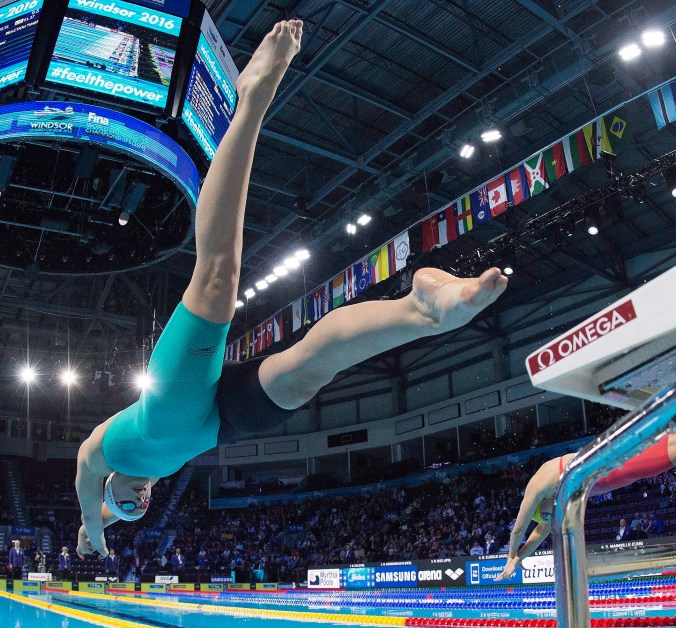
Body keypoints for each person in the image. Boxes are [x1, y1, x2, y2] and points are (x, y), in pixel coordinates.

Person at [75, 19, 509, 559]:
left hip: (169, 404)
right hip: (214, 427)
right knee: (307, 373)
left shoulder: (98, 453)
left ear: (106, 492)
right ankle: (421, 309)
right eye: (140, 503)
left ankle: (251, 101)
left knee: (217, 279)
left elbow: (88, 508)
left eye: (125, 502)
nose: (138, 497)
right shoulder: (151, 473)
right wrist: (111, 522)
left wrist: (93, 533)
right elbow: (118, 508)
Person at [496, 433, 676, 580]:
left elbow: (518, 530)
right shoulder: (557, 499)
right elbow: (539, 533)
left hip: (606, 464)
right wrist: (520, 557)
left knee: (662, 454)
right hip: (611, 476)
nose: (553, 514)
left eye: (546, 514)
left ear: (540, 503)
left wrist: (510, 556)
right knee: (660, 454)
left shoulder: (537, 486)